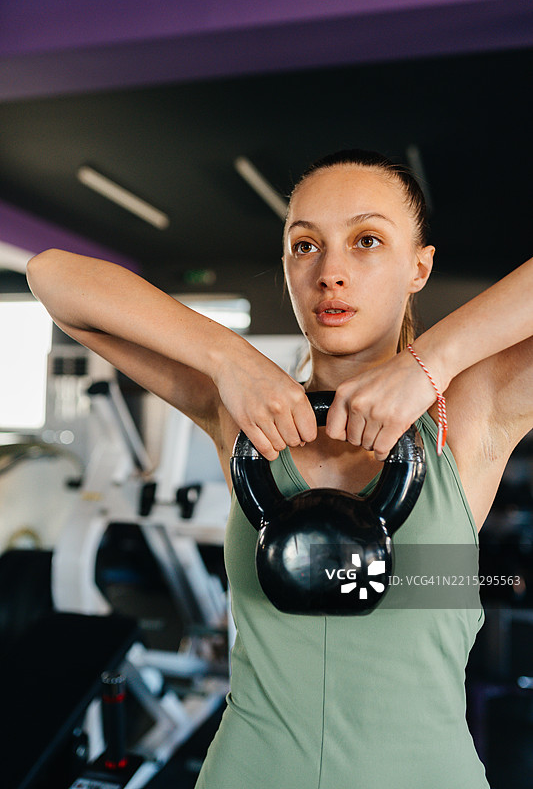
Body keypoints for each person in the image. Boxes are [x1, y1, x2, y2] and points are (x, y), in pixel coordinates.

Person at [26, 149, 532, 788]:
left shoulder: (470, 413)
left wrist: (430, 363)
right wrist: (229, 359)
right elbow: (51, 277)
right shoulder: (240, 416)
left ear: (420, 267)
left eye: (367, 241)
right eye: (304, 246)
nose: (331, 274)